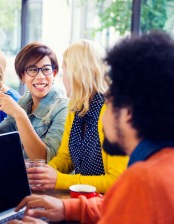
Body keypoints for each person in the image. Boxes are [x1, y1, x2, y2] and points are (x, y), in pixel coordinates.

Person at [9, 31, 174, 223]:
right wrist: (66, 207)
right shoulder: (158, 166)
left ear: (128, 112)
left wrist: (59, 182)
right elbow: (112, 204)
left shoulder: (143, 180)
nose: (105, 106)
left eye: (111, 100)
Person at [27, 40, 128, 194]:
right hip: (84, 201)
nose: (62, 78)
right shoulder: (75, 107)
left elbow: (116, 181)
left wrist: (59, 180)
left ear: (78, 74)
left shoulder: (112, 112)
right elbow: (66, 157)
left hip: (107, 206)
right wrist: (44, 173)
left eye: (64, 71)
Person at [0, 42, 68, 162]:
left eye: (46, 69)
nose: (40, 76)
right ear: (22, 76)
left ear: (54, 73)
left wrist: (20, 115)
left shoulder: (63, 107)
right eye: (33, 70)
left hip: (44, 180)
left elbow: (47, 160)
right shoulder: (25, 100)